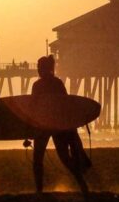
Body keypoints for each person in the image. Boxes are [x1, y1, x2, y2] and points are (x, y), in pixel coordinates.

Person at [31, 55, 91, 194]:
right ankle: (82, 184)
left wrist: (29, 128)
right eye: (38, 68)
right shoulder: (58, 83)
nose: (38, 71)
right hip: (57, 124)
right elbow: (65, 104)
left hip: (43, 124)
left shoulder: (37, 85)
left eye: (40, 68)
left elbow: (33, 107)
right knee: (64, 157)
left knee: (38, 159)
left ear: (46, 69)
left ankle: (39, 190)